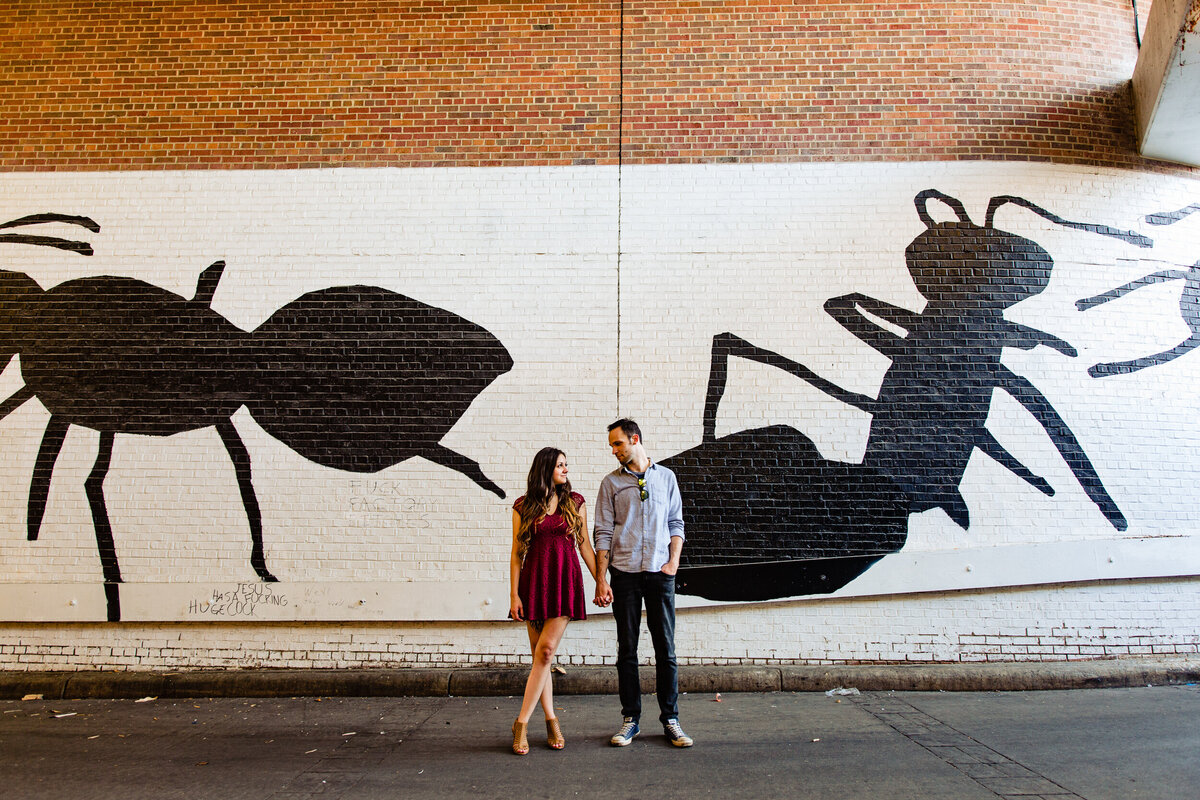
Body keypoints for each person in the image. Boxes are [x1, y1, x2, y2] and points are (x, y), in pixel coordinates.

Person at [593, 419, 693, 748]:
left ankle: (671, 719)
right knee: (627, 650)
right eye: (612, 445)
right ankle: (630, 719)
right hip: (624, 574)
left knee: (666, 650)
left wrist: (672, 563)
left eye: (618, 443)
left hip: (660, 574)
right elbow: (603, 534)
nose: (614, 450)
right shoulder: (611, 484)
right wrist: (601, 579)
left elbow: (676, 522)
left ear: (635, 439)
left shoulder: (666, 478)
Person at [509, 447, 601, 755]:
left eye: (566, 464)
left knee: (546, 652)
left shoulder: (575, 503)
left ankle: (520, 724)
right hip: (534, 583)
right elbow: (516, 554)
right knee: (540, 658)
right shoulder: (523, 506)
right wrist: (514, 595)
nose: (566, 469)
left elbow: (585, 546)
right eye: (560, 465)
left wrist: (601, 579)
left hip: (564, 582)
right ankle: (551, 719)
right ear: (545, 468)